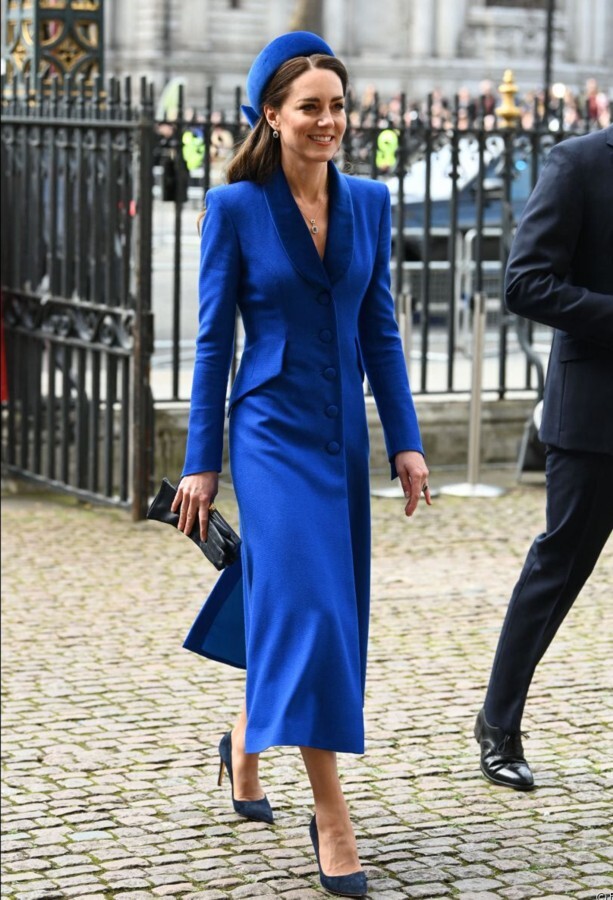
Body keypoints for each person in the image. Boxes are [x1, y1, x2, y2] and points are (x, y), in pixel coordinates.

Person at [172, 31, 430, 898]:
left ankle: (244, 745)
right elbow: (213, 344)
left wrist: (404, 440)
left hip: (339, 434)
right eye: (310, 107)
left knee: (299, 603)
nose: (328, 120)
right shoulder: (235, 208)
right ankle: (332, 814)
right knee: (313, 610)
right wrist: (200, 462)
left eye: (338, 106)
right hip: (269, 433)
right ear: (272, 116)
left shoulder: (369, 202)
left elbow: (378, 330)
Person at [475, 125, 613, 790]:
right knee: (557, 570)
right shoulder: (577, 162)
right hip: (596, 418)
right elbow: (525, 283)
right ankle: (498, 724)